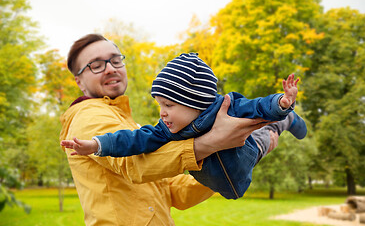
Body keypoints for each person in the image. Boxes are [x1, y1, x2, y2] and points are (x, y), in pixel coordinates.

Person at [60, 34, 276, 225]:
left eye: (116, 60)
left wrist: (233, 159)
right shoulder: (88, 116)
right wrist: (213, 142)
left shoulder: (125, 121)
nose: (110, 68)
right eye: (96, 65)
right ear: (79, 81)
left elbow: (176, 192)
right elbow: (134, 165)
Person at [62, 52, 307, 199]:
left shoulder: (228, 106)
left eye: (168, 105)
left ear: (195, 101)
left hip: (247, 152)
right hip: (226, 182)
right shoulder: (165, 130)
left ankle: (286, 119)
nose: (162, 113)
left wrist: (282, 102)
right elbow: (132, 139)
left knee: (266, 132)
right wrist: (96, 144)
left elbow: (257, 106)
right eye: (160, 105)